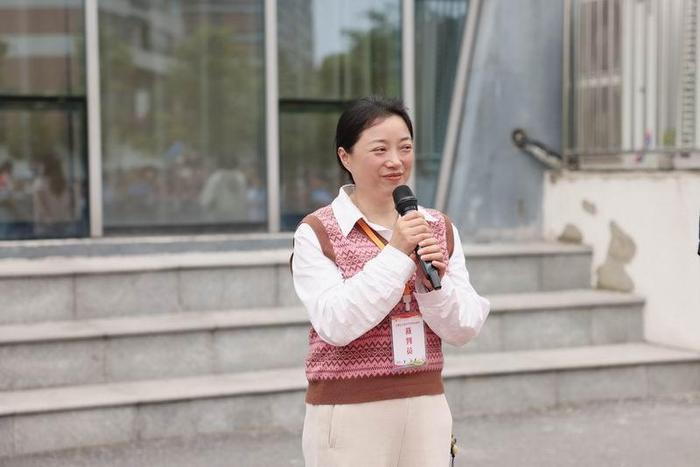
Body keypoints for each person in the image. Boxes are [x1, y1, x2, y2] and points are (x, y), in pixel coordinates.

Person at [291, 96, 491, 467]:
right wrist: (397, 252)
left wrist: (434, 288)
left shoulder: (437, 227)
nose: (396, 161)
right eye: (379, 149)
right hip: (348, 411)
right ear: (345, 157)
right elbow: (335, 323)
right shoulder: (316, 232)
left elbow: (464, 328)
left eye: (405, 148)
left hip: (426, 407)